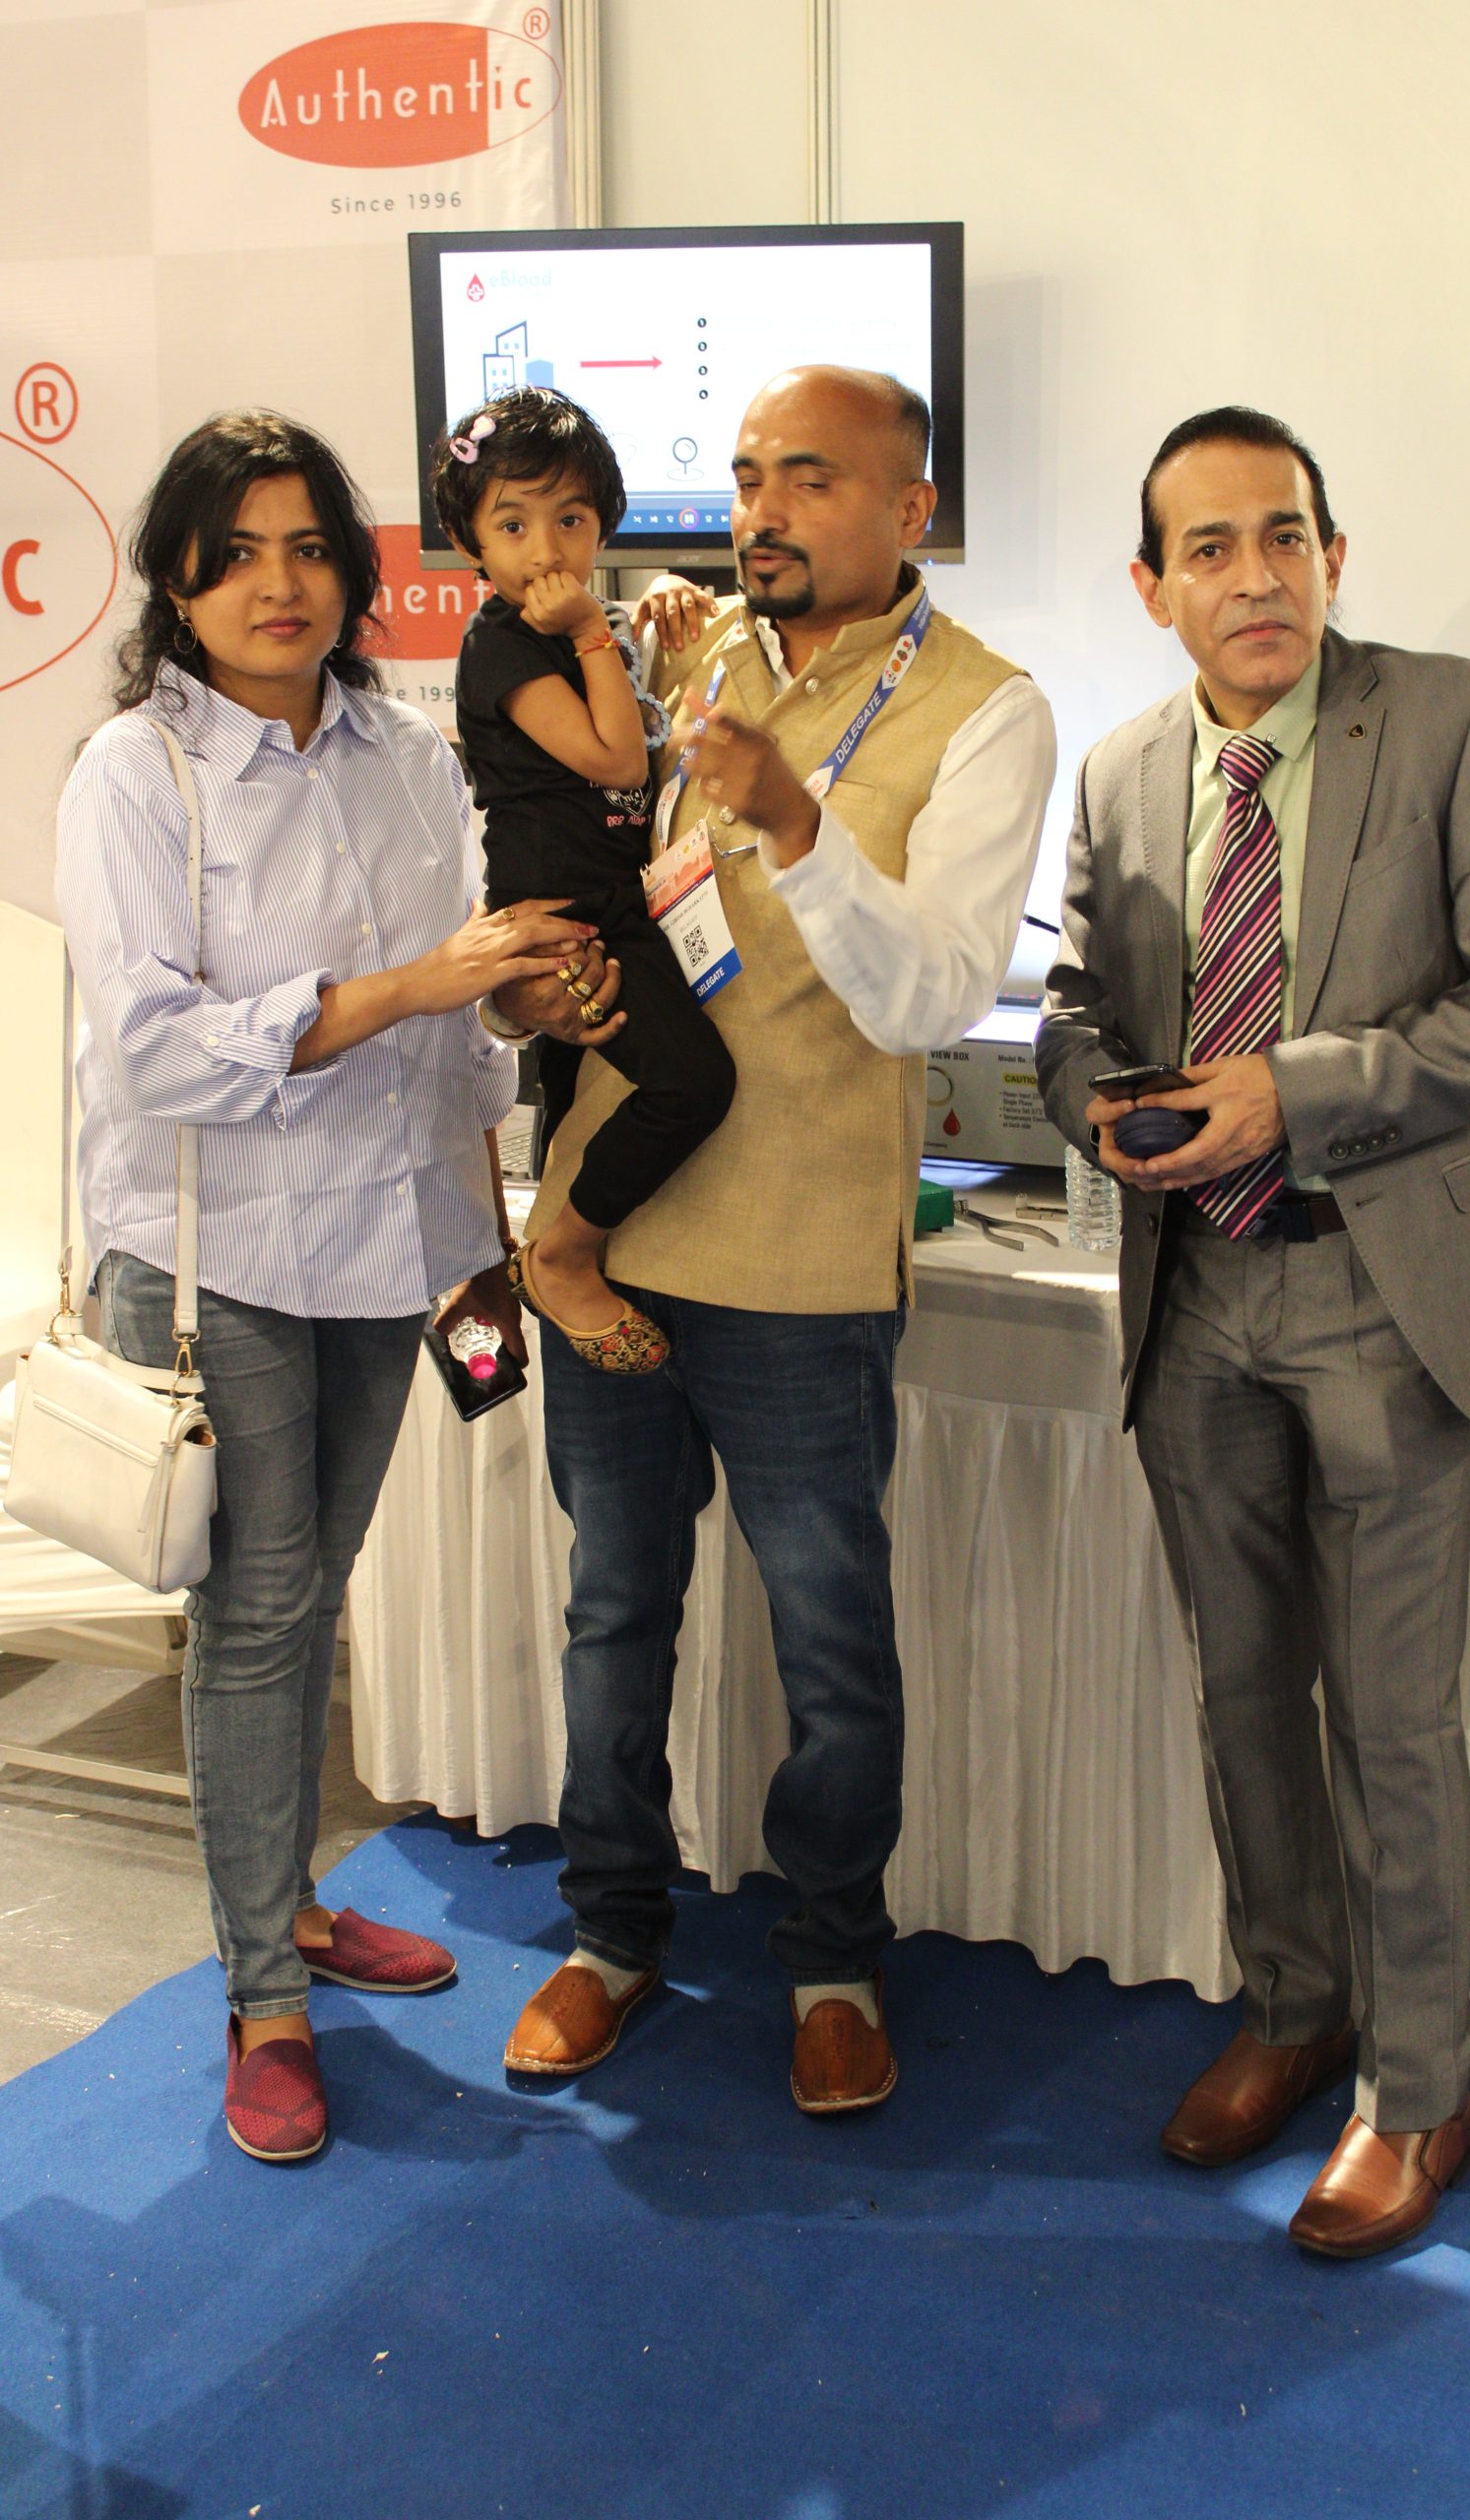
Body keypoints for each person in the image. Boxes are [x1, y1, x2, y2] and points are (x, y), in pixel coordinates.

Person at [1036, 406, 1470, 2256]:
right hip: (1195, 1296)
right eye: (1207, 548)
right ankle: (1291, 2011)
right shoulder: (1122, 769)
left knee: (1391, 1718)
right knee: (1238, 1695)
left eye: (1281, 535)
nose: (1253, 575)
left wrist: (1295, 1090)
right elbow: (1071, 994)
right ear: (1151, 589)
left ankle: (1417, 2091)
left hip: (1384, 1292)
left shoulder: (1451, 721)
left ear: (1332, 557)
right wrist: (1087, 1095)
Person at [486, 365, 1056, 2110]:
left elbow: (931, 997)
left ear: (909, 508)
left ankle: (829, 1957)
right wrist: (533, 987)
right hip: (609, 1236)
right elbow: (592, 876)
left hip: (804, 1262)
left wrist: (799, 827)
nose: (763, 510)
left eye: (808, 477)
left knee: (829, 1640)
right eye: (745, 477)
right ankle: (609, 1933)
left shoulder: (983, 708)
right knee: (611, 1614)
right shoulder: (680, 653)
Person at [56, 410, 591, 2163]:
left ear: (356, 576)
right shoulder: (136, 772)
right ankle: (262, 1994)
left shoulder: (408, 754)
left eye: (308, 550)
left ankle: (281, 1898)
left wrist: (509, 1024)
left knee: (311, 1592)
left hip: (389, 1241)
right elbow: (157, 1051)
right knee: (261, 1610)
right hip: (216, 1254)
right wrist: (410, 987)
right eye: (237, 554)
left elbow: (453, 1024)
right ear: (179, 577)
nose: (276, 586)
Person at [432, 387, 735, 1374]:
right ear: (470, 543)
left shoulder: (586, 625)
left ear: (605, 521)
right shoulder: (501, 642)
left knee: (589, 1101)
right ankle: (561, 1256)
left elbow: (639, 719)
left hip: (611, 902)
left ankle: (568, 1247)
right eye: (512, 525)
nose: (545, 549)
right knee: (693, 1081)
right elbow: (614, 758)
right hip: (567, 915)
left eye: (570, 519)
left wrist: (627, 622)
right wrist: (597, 637)